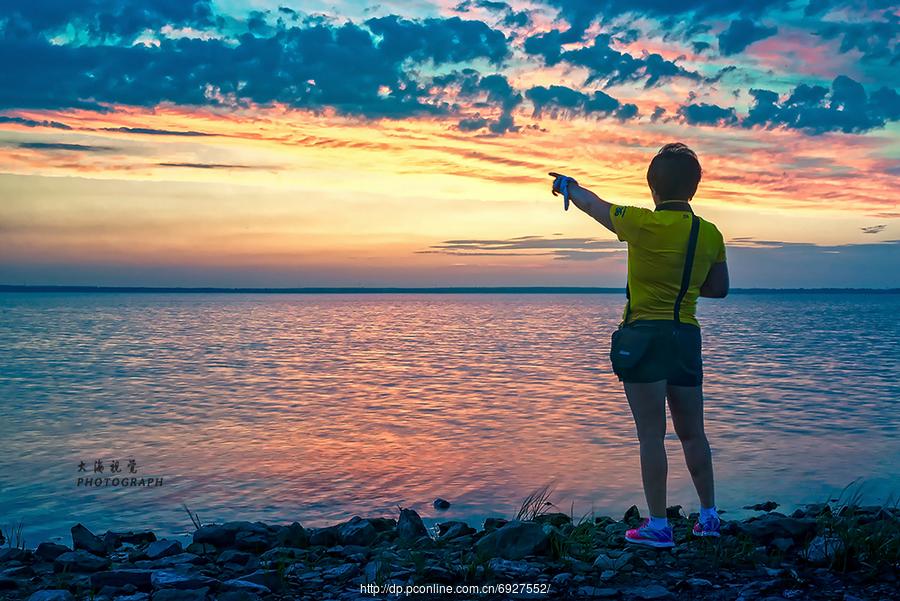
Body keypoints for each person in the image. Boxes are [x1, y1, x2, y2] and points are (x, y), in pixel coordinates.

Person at [550, 143, 729, 548]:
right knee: (693, 434)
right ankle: (709, 517)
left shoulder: (638, 222)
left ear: (652, 188)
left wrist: (567, 185)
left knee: (651, 436)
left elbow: (594, 205)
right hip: (686, 336)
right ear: (694, 187)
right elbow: (719, 288)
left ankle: (659, 525)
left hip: (645, 334)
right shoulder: (710, 232)